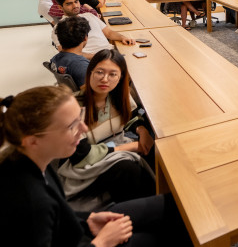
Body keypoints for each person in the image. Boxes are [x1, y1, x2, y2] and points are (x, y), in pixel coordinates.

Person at [0, 86, 192, 247]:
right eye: (72, 126)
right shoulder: (31, 202)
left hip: (78, 229)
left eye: (80, 118)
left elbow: (59, 215)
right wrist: (102, 243)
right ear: (33, 141)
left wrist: (87, 219)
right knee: (166, 235)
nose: (83, 129)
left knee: (176, 207)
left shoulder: (34, 158)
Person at [57, 49, 155, 204]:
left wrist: (142, 132)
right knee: (128, 169)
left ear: (121, 77)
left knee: (154, 151)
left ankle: (157, 203)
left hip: (113, 145)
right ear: (90, 73)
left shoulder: (120, 98)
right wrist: (132, 147)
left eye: (112, 74)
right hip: (83, 166)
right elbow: (81, 157)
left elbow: (133, 118)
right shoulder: (74, 106)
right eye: (99, 72)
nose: (104, 79)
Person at [53, 0, 135, 58]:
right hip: (93, 61)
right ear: (60, 7)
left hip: (110, 53)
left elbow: (109, 33)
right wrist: (97, 56)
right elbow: (67, 54)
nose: (75, 6)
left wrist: (122, 37)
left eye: (76, 1)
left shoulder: (89, 16)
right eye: (69, 4)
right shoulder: (60, 28)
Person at [50, 16, 91, 88]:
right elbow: (90, 93)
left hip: (69, 94)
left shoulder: (54, 59)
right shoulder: (82, 66)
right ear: (85, 38)